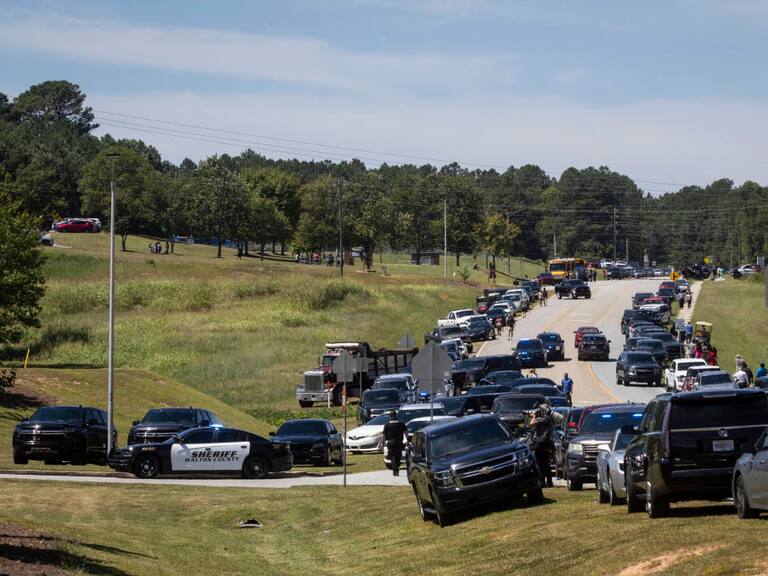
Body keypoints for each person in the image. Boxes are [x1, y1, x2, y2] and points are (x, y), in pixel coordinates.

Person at [531, 403, 562, 488]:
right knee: (546, 463)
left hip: (540, 443)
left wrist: (533, 416)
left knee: (540, 463)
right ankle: (549, 481)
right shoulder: (550, 418)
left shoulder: (543, 419)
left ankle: (542, 482)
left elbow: (532, 423)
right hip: (547, 443)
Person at [382, 410, 407, 477]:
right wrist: (408, 440)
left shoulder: (387, 425)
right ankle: (396, 470)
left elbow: (384, 435)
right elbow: (406, 432)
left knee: (393, 457)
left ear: (390, 416)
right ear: (396, 415)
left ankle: (395, 471)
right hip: (399, 442)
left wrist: (384, 442)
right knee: (398, 456)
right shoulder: (401, 423)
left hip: (391, 443)